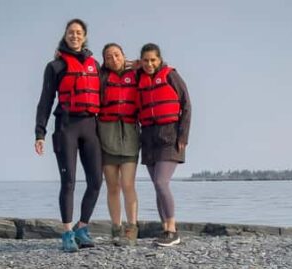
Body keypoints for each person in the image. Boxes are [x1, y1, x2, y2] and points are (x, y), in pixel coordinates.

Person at [35, 19, 103, 252]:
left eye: (79, 32)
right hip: (66, 127)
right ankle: (66, 233)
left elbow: (110, 85)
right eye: (71, 32)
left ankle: (82, 227)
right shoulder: (55, 66)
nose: (75, 36)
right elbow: (45, 100)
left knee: (96, 181)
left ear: (84, 36)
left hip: (90, 127)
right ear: (65, 35)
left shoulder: (95, 64)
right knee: (69, 182)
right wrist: (40, 133)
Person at [138, 43, 191, 247]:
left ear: (160, 59)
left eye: (153, 60)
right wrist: (135, 65)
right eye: (145, 60)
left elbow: (186, 105)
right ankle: (164, 230)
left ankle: (172, 230)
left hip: (169, 136)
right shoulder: (139, 77)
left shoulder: (171, 76)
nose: (149, 64)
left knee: (161, 182)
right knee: (156, 186)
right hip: (149, 137)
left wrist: (183, 137)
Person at [98, 43, 140, 246]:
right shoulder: (101, 78)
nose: (113, 59)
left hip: (130, 135)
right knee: (112, 186)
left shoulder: (137, 73)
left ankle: (131, 228)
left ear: (124, 55)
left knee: (128, 184)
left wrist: (140, 64)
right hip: (106, 134)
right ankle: (116, 228)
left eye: (116, 55)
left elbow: (157, 66)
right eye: (108, 57)